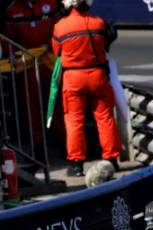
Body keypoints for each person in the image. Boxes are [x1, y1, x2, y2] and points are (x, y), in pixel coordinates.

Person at [51, 0, 120, 177]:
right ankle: (111, 159)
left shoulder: (60, 27)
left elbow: (57, 51)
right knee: (105, 118)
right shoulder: (99, 22)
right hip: (98, 75)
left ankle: (76, 164)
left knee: (74, 121)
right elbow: (107, 42)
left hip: (73, 78)